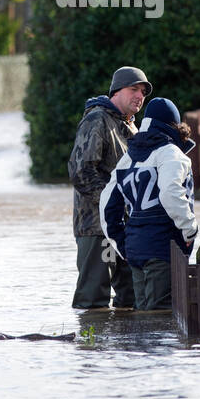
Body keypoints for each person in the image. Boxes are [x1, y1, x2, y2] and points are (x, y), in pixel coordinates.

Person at [99, 97, 197, 311]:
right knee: (160, 317)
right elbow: (170, 193)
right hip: (163, 247)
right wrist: (190, 229)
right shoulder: (171, 154)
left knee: (143, 317)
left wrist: (121, 244)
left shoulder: (127, 159)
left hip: (134, 249)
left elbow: (107, 206)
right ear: (174, 125)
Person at [68, 66, 150, 309]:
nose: (139, 96)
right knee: (93, 300)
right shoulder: (96, 119)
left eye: (143, 92)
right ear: (116, 91)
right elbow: (80, 171)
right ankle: (90, 347)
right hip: (95, 227)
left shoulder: (133, 127)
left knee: (133, 299)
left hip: (125, 229)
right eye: (133, 89)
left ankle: (122, 348)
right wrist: (111, 204)